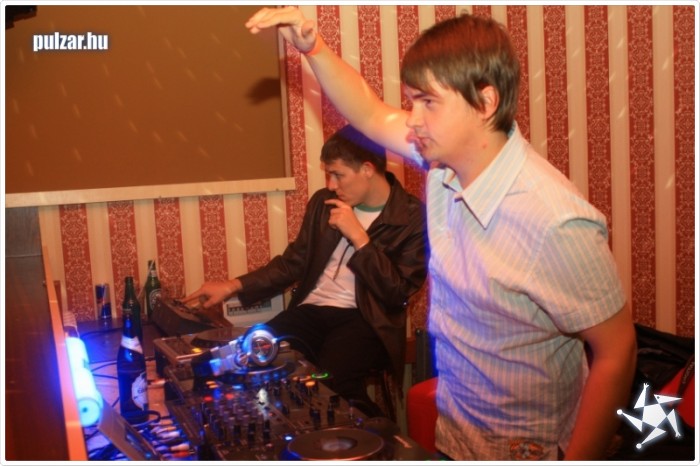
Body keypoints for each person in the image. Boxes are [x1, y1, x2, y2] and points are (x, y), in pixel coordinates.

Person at [246, 7, 637, 461]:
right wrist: (313, 47)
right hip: (456, 437)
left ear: (485, 103)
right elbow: (370, 112)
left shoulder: (555, 219)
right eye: (412, 101)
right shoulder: (442, 166)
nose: (412, 119)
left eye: (428, 102)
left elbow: (617, 352)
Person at [185, 124, 428, 418]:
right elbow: (293, 263)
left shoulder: (413, 217)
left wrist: (360, 239)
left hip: (367, 320)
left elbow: (397, 293)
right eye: (328, 175)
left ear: (367, 169)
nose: (332, 185)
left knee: (329, 381)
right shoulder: (323, 204)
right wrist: (231, 285)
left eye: (338, 174)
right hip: (312, 310)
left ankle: (377, 437)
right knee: (252, 354)